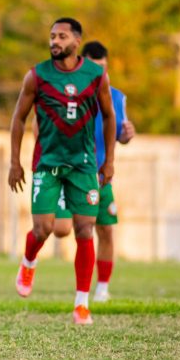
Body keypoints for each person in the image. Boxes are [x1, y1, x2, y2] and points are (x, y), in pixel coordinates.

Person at [8, 18, 116, 325]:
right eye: (52, 36)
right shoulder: (37, 75)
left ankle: (82, 303)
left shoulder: (96, 75)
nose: (55, 41)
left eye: (62, 36)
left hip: (83, 164)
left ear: (76, 41)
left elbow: (108, 117)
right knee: (43, 229)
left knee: (85, 230)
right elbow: (19, 118)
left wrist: (108, 161)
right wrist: (15, 162)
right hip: (48, 163)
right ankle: (29, 261)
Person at [49, 41, 135, 303]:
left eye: (104, 69)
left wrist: (126, 135)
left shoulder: (117, 97)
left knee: (106, 231)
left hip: (100, 177)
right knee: (63, 229)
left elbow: (119, 132)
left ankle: (102, 289)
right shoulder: (68, 93)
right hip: (70, 172)